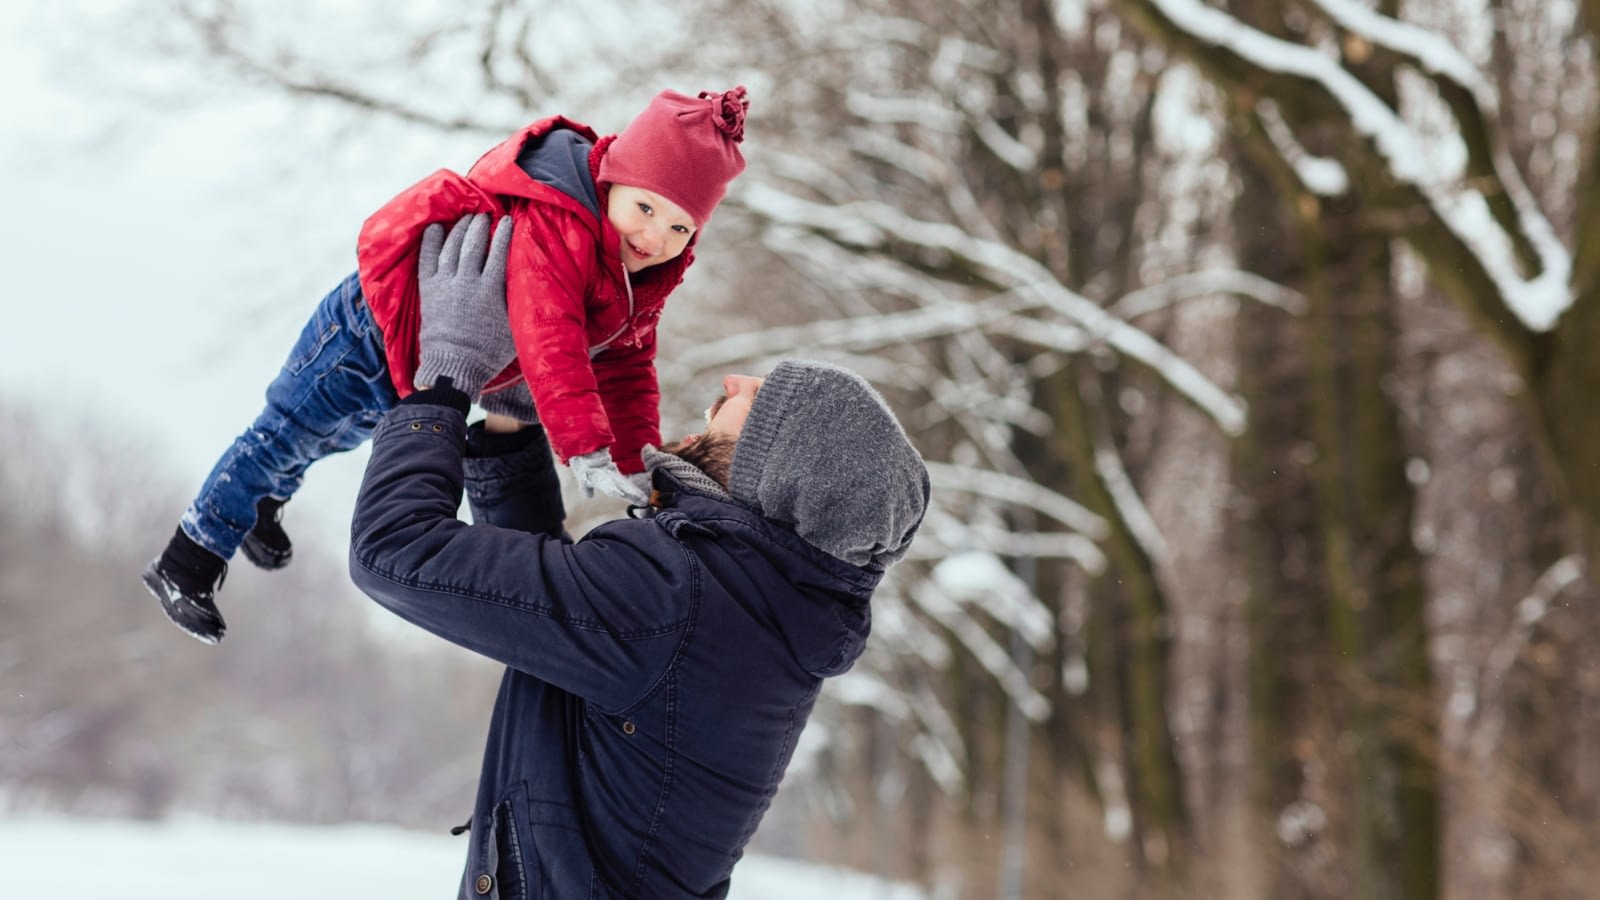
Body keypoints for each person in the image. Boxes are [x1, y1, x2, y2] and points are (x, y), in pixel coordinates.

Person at [347, 216, 930, 898]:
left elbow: (393, 549)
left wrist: (445, 378)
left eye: (761, 397)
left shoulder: (678, 598)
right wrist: (511, 424)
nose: (736, 380)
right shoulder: (742, 609)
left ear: (780, 471)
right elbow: (558, 623)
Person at [143, 86, 750, 644]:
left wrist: (637, 458)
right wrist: (584, 445)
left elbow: (626, 367)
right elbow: (549, 335)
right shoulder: (557, 224)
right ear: (613, 180)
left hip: (420, 362)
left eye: (679, 226)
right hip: (368, 331)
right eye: (646, 207)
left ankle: (261, 504)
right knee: (285, 433)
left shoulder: (631, 275)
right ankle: (189, 556)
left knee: (331, 439)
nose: (656, 236)